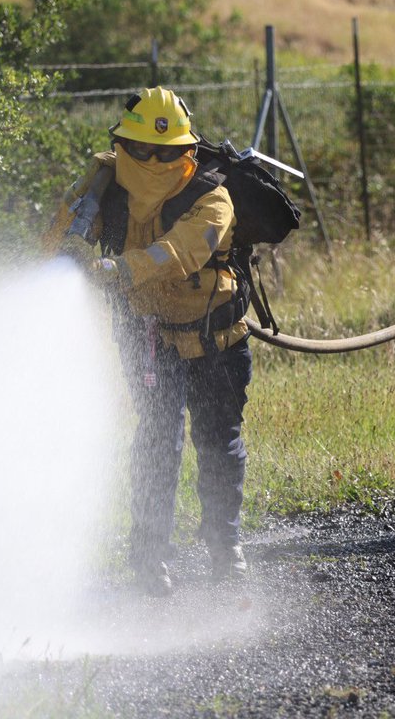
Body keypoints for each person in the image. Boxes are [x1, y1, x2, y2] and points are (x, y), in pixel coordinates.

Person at [44, 87, 253, 595]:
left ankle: (225, 549)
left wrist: (115, 269)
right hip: (148, 339)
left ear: (188, 151)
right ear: (122, 145)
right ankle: (147, 559)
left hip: (215, 340)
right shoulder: (103, 185)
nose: (151, 159)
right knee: (158, 441)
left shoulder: (213, 197)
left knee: (218, 441)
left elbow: (180, 253)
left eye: (165, 151)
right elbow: (54, 241)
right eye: (139, 149)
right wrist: (70, 245)